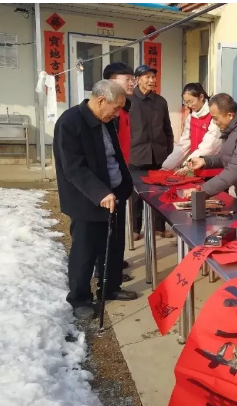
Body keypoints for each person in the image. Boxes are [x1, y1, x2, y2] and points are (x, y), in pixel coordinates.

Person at [53, 80, 139, 319]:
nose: (118, 113)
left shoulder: (106, 120)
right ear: (101, 100)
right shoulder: (70, 122)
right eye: (116, 107)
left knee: (113, 245)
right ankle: (79, 298)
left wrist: (123, 185)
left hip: (114, 193)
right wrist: (100, 192)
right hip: (86, 197)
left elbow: (113, 156)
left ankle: (110, 288)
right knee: (85, 250)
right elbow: (74, 168)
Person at [128, 64, 174, 240]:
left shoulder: (160, 102)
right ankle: (135, 229)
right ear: (137, 80)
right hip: (136, 155)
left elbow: (167, 128)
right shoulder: (128, 101)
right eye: (147, 77)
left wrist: (169, 152)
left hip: (159, 154)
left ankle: (159, 227)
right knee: (136, 194)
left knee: (160, 193)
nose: (151, 80)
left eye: (153, 77)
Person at [99, 62, 135, 279]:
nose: (132, 83)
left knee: (118, 226)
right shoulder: (108, 112)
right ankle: (106, 271)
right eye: (127, 79)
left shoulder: (124, 108)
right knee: (108, 228)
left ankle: (114, 263)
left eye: (133, 79)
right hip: (108, 181)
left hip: (121, 175)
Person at [161, 82, 221, 173]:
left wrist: (188, 163)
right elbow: (183, 144)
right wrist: (166, 167)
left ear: (201, 97)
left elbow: (209, 145)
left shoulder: (213, 116)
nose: (188, 105)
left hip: (212, 167)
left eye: (191, 101)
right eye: (186, 102)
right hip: (196, 167)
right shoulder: (191, 117)